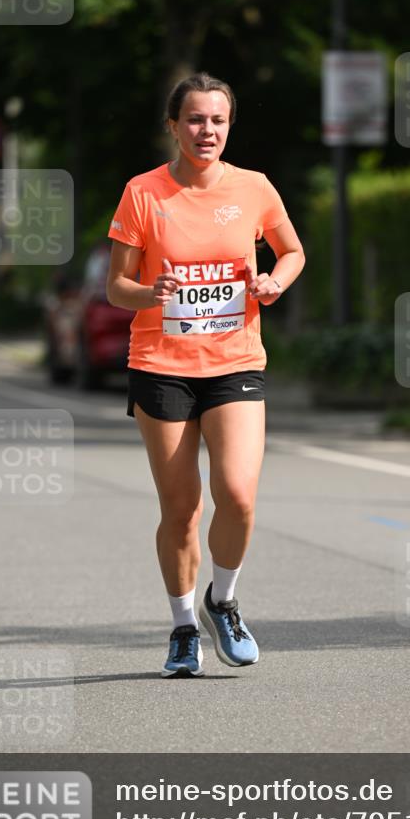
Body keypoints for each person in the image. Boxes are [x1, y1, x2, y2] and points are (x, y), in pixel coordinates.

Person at [106, 71, 305, 678]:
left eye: (217, 120)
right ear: (173, 127)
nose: (207, 131)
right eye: (195, 119)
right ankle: (183, 626)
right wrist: (151, 292)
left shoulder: (254, 188)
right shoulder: (143, 193)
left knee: (239, 497)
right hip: (161, 364)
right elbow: (116, 287)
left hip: (235, 360)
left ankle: (225, 601)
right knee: (182, 509)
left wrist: (275, 281)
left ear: (229, 126)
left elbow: (292, 251)